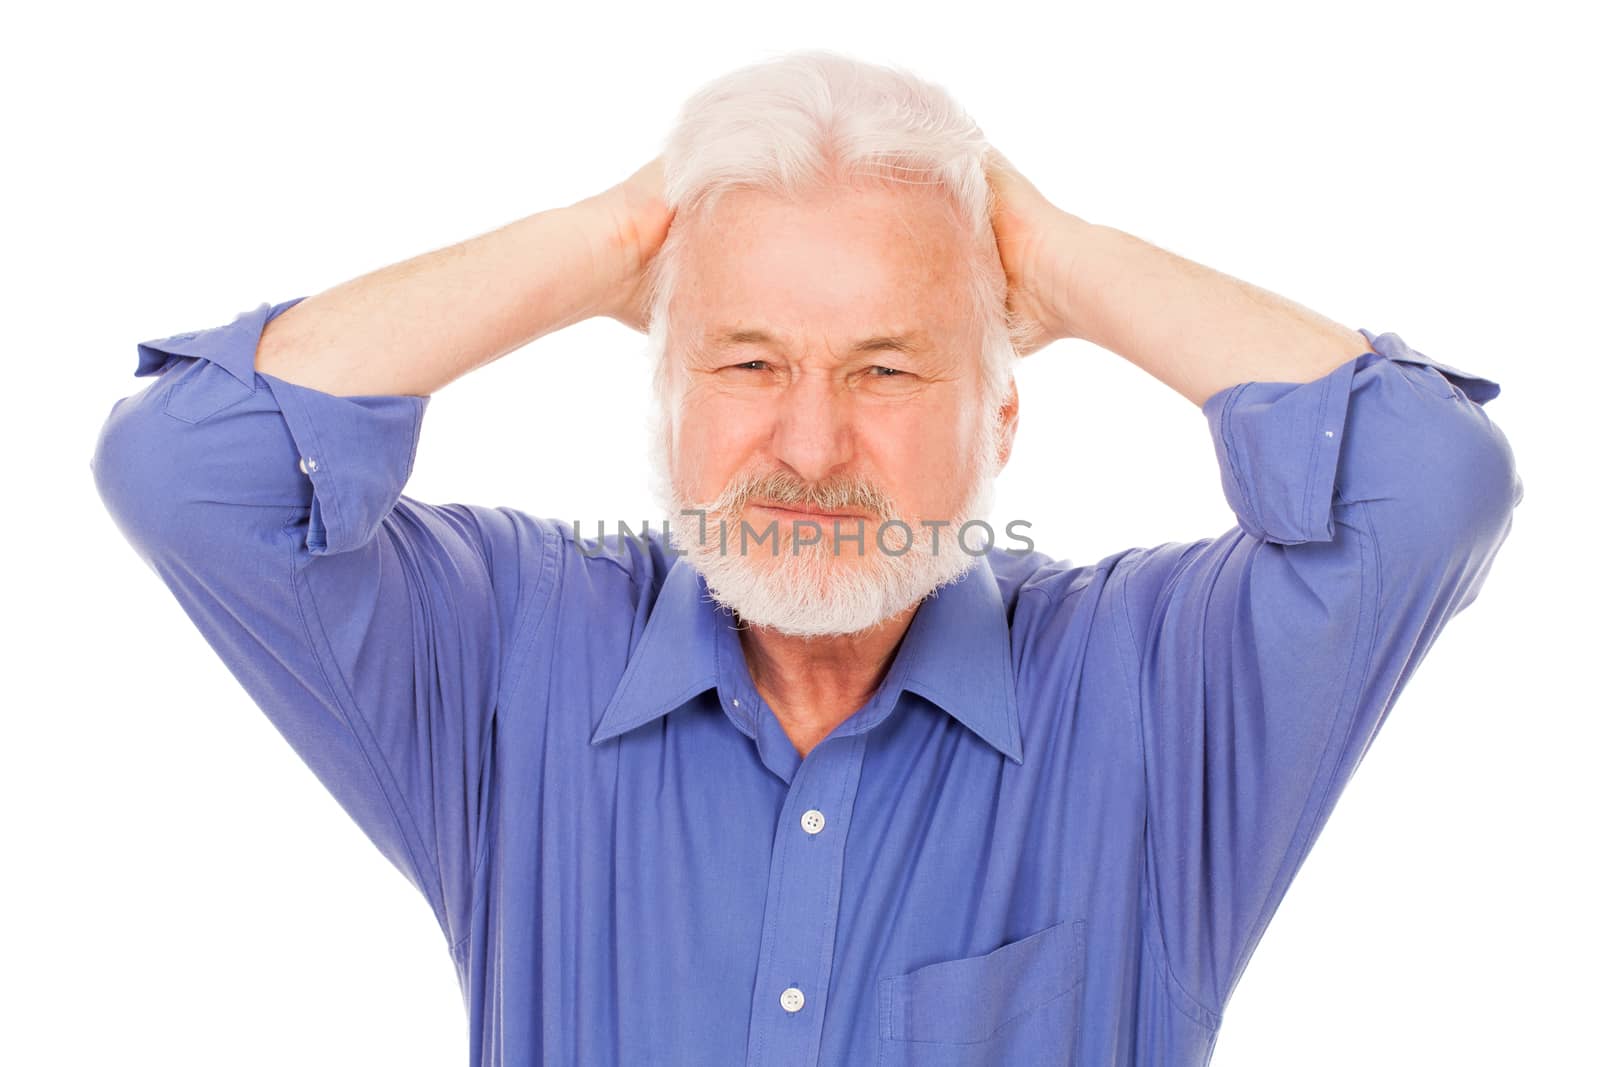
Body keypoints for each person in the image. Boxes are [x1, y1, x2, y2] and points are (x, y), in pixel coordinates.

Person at [91, 48, 1521, 1067]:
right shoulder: (514, 657)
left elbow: (1429, 480)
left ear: (1003, 415)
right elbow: (189, 469)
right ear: (662, 393)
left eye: (890, 370)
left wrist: (1060, 254)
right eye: (748, 358)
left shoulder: (1149, 691)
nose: (813, 444)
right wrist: (615, 239)